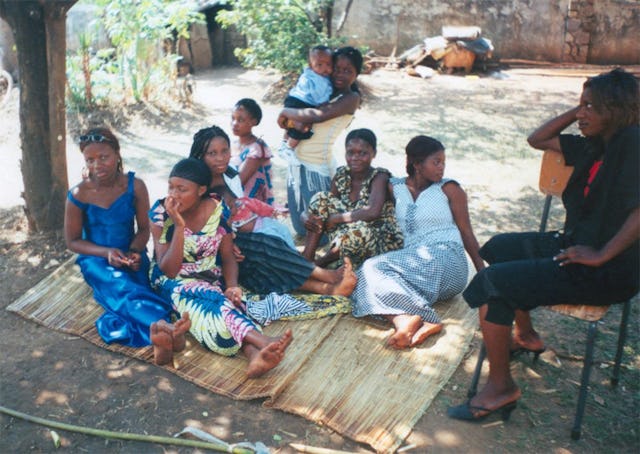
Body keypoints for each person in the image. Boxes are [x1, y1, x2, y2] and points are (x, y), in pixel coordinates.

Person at [448, 68, 639, 422]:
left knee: (495, 283)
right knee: (499, 248)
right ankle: (527, 335)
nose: (581, 114)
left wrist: (600, 255)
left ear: (616, 110)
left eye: (591, 107)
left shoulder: (633, 143)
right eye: (581, 106)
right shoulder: (594, 146)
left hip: (607, 270)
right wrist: (580, 109)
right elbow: (537, 138)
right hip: (576, 247)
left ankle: (501, 389)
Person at [148, 158, 293, 377]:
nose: (174, 195)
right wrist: (178, 225)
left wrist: (233, 286)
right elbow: (168, 269)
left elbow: (227, 256)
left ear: (201, 190)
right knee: (213, 299)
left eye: (182, 189)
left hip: (210, 279)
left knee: (223, 307)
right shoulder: (160, 213)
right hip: (172, 282)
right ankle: (262, 341)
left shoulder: (218, 209)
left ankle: (254, 356)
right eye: (171, 187)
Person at [188, 125, 357, 298]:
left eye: (225, 151)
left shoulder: (230, 175)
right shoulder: (198, 185)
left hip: (238, 237)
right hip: (215, 248)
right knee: (264, 251)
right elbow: (196, 227)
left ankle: (330, 288)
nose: (221, 158)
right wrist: (227, 244)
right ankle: (328, 278)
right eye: (212, 153)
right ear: (201, 156)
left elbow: (239, 208)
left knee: (269, 253)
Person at [352, 135, 485, 349]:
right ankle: (405, 321)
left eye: (443, 162)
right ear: (416, 164)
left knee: (372, 268)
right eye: (436, 162)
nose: (442, 168)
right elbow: (363, 192)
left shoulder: (449, 189)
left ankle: (420, 316)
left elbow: (466, 232)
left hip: (448, 260)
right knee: (361, 279)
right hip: (417, 269)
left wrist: (484, 273)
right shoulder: (395, 187)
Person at [63, 127, 189, 351]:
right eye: (90, 160)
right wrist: (106, 253)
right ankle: (163, 327)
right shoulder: (78, 195)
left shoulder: (135, 186)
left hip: (131, 253)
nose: (97, 165)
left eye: (104, 157)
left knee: (143, 286)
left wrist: (134, 251)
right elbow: (72, 241)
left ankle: (161, 334)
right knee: (120, 285)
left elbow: (143, 229)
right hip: (96, 258)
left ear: (117, 154)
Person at [277, 46, 364, 236]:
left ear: (357, 74)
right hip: (297, 166)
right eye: (337, 68)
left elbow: (317, 115)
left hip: (316, 170)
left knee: (318, 233)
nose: (340, 74)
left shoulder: (351, 98)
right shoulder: (323, 90)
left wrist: (284, 112)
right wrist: (289, 119)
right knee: (301, 228)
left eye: (347, 70)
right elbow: (292, 120)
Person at [301, 128, 403, 268]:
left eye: (363, 153)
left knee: (360, 229)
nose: (355, 158)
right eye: (350, 153)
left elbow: (372, 211)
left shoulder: (379, 177)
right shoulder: (342, 175)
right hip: (346, 238)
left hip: (376, 239)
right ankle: (307, 257)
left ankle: (318, 265)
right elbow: (323, 207)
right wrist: (306, 217)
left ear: (374, 153)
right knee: (321, 197)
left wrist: (334, 219)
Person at [282, 45, 334, 148]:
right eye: (319, 65)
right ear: (311, 65)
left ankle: (283, 143)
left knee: (292, 124)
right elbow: (320, 98)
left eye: (328, 64)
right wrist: (325, 104)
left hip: (292, 98)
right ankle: (289, 148)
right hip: (301, 102)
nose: (325, 68)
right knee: (302, 125)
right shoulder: (320, 80)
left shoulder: (308, 73)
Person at [230, 98, 274, 204]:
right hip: (237, 202)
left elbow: (239, 182)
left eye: (240, 120)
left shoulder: (257, 149)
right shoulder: (233, 145)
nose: (234, 123)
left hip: (255, 209)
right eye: (233, 118)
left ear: (253, 122)